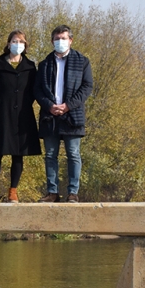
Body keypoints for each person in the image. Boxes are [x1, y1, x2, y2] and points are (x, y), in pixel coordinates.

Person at [0, 31, 41, 204]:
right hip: (1, 114)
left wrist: (24, 103)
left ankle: (13, 191)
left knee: (18, 154)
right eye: (14, 41)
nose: (17, 44)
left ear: (25, 45)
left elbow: (33, 90)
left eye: (21, 41)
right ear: (8, 44)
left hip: (22, 115)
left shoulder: (30, 66)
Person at [34, 25, 93, 203]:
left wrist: (67, 106)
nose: (60, 41)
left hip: (72, 116)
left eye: (64, 38)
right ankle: (52, 192)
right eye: (57, 38)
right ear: (52, 41)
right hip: (49, 116)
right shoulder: (44, 64)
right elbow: (37, 90)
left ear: (71, 40)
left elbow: (86, 87)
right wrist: (50, 106)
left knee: (73, 154)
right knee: (50, 155)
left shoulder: (82, 61)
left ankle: (73, 192)